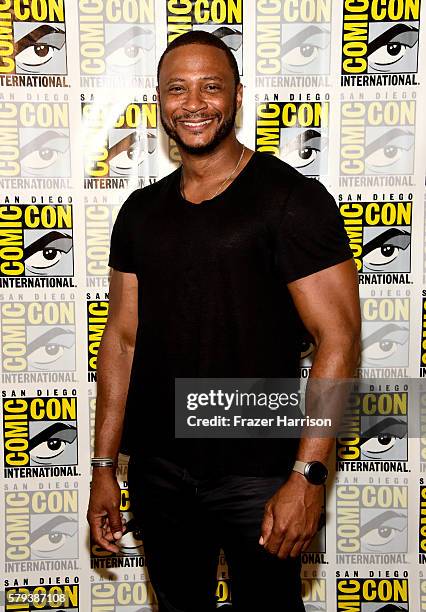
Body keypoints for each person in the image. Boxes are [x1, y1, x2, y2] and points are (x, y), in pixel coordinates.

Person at [87, 30, 361, 612]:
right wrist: (104, 467)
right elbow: (122, 341)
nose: (194, 103)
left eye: (211, 87)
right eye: (177, 89)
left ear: (237, 96)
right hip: (159, 470)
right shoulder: (140, 212)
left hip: (259, 472)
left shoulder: (293, 200)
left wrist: (308, 477)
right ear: (158, 101)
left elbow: (338, 339)